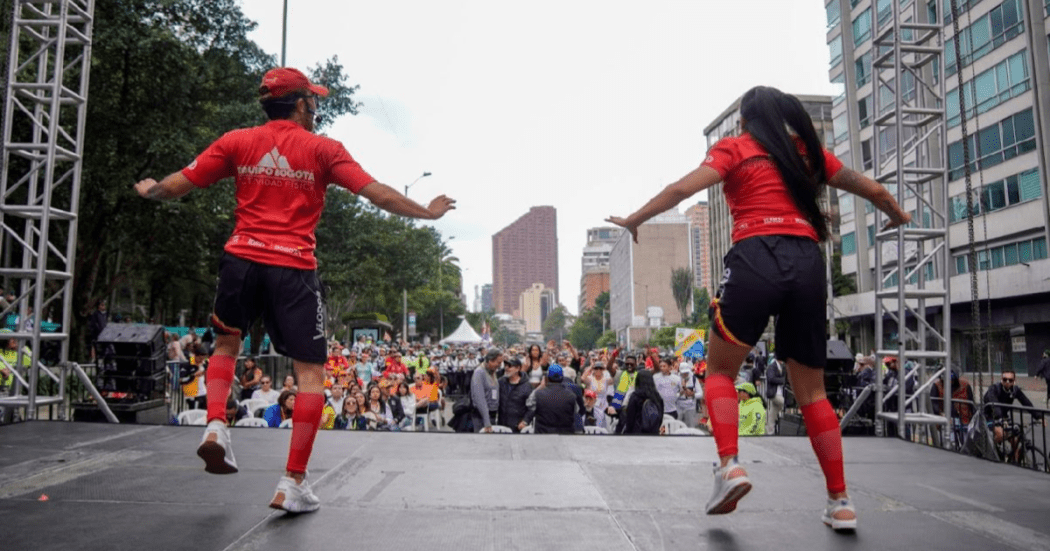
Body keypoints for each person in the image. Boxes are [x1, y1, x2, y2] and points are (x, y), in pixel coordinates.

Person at [135, 66, 455, 513]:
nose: (318, 108)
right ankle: (292, 482)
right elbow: (378, 194)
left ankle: (215, 428)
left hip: (240, 259)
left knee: (226, 344)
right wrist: (427, 212)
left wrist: (151, 191)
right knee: (310, 375)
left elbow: (177, 184)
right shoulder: (323, 149)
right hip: (293, 268)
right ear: (302, 104)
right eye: (315, 101)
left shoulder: (236, 141)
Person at [607, 85, 910, 529]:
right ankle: (840, 501)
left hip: (755, 258)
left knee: (721, 372)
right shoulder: (807, 153)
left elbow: (678, 189)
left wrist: (636, 218)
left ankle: (729, 465)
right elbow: (874, 189)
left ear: (746, 122)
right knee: (813, 393)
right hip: (807, 263)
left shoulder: (737, 147)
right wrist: (896, 214)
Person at [983, 369, 1040, 445]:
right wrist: (1001, 418)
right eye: (1005, 379)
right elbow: (994, 403)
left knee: (1015, 438)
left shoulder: (1015, 390)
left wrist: (1038, 416)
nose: (1007, 382)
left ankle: (1014, 457)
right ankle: (992, 450)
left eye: (1010, 380)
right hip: (989, 416)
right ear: (1001, 379)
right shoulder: (994, 389)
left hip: (1003, 417)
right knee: (1001, 434)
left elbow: (1026, 402)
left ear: (1014, 381)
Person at [522, 364, 578, 434]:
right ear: (562, 378)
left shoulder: (538, 394)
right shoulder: (571, 395)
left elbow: (529, 404)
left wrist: (540, 387)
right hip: (565, 437)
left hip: (543, 436)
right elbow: (576, 411)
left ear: (547, 378)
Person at [615, 369, 663, 435]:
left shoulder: (635, 396)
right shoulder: (657, 397)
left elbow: (630, 419)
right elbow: (660, 418)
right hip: (653, 434)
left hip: (637, 434)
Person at [471, 349, 503, 433]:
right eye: (498, 363)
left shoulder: (492, 371)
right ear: (490, 361)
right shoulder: (479, 373)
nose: (499, 366)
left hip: (491, 415)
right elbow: (480, 399)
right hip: (481, 417)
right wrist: (487, 421)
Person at [498, 357, 532, 432]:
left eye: (509, 366)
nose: (506, 368)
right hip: (502, 425)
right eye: (505, 365)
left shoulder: (527, 386)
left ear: (517, 368)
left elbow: (532, 407)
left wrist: (525, 421)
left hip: (517, 427)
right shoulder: (501, 382)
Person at [765, 357, 786, 435]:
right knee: (784, 403)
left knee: (772, 413)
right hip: (774, 394)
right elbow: (771, 378)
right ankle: (779, 415)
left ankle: (770, 431)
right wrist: (783, 380)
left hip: (780, 393)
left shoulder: (782, 366)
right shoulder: (772, 367)